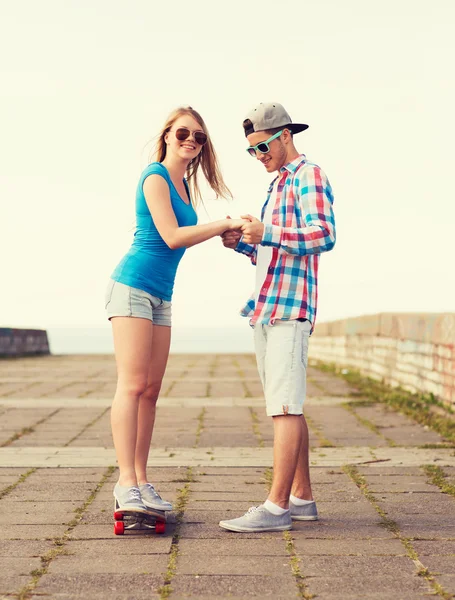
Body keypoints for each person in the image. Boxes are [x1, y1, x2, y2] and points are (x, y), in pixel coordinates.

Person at [105, 106, 245, 515]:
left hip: (161, 296)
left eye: (199, 137)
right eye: (183, 132)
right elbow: (171, 237)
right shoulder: (155, 177)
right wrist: (221, 224)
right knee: (131, 386)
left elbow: (185, 232)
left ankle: (142, 480)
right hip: (132, 287)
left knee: (150, 392)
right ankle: (125, 483)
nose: (191, 140)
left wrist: (225, 232)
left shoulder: (184, 186)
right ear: (167, 135)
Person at [219, 102, 336, 532]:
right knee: (287, 406)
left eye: (263, 146)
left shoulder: (309, 175)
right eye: (251, 150)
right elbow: (278, 252)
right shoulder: (278, 185)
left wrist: (266, 232)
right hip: (268, 307)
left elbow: (324, 235)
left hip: (290, 310)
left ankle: (276, 507)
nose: (258, 156)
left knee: (284, 408)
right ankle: (302, 498)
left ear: (285, 135)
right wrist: (245, 244)